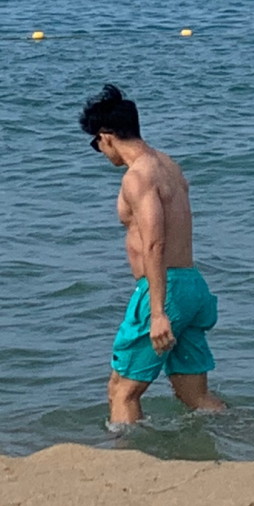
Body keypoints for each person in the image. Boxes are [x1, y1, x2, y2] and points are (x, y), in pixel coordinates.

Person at [79, 84, 225, 426]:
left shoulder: (138, 177)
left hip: (164, 289)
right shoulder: (168, 165)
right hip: (190, 284)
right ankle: (248, 434)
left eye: (96, 144)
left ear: (106, 137)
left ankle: (126, 455)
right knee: (195, 396)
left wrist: (158, 313)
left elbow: (155, 243)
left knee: (121, 391)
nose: (100, 152)